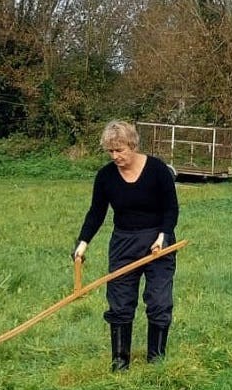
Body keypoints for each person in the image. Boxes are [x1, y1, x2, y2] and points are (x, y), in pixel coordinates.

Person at [71, 120, 179, 371]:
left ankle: (156, 360)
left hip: (157, 242)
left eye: (120, 150)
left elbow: (171, 208)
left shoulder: (158, 170)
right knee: (120, 302)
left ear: (133, 145)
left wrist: (163, 236)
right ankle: (120, 362)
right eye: (110, 151)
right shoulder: (105, 176)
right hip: (124, 243)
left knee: (159, 301)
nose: (115, 156)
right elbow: (96, 212)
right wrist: (83, 243)